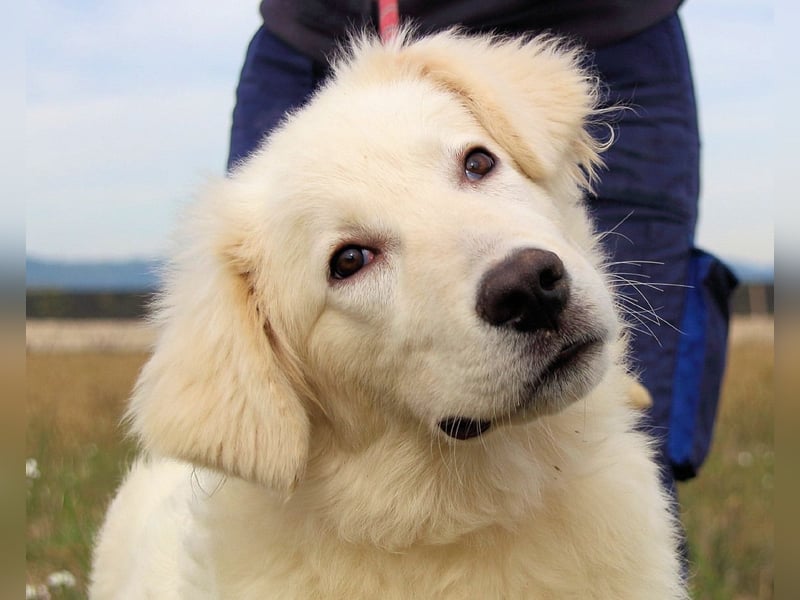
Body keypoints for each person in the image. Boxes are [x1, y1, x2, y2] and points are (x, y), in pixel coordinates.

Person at [227, 0, 736, 528]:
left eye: (477, 164)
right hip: (306, 33)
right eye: (351, 260)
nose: (520, 277)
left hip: (601, 22)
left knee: (628, 427)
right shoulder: (247, 226)